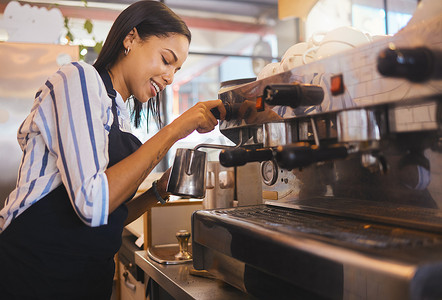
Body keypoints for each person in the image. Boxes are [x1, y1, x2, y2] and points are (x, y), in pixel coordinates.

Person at [0, 1, 225, 299]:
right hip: (35, 270)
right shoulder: (78, 79)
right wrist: (175, 130)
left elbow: (109, 215)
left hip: (87, 277)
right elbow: (92, 205)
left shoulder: (118, 115)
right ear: (130, 39)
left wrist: (158, 190)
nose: (170, 76)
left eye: (177, 69)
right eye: (166, 59)